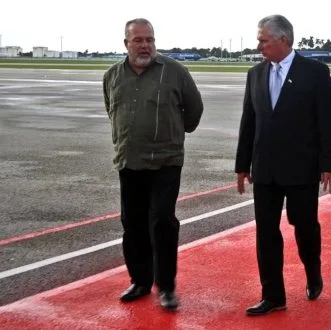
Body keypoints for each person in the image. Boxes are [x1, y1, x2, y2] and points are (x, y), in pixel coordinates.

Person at [235, 14, 331, 316]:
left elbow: (328, 121)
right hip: (265, 169)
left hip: (301, 169)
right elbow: (249, 121)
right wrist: (242, 165)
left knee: (304, 226)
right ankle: (273, 295)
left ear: (284, 40)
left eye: (263, 40)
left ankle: (313, 271)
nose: (259, 46)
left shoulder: (315, 72)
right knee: (266, 232)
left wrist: (329, 165)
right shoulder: (255, 74)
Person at [102, 18, 204, 310]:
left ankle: (166, 286)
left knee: (161, 221)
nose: (145, 45)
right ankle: (140, 281)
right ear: (126, 43)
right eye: (139, 40)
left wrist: (171, 135)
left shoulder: (174, 72)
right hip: (129, 160)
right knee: (132, 223)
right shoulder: (112, 76)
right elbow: (111, 109)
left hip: (166, 162)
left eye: (150, 39)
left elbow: (194, 109)